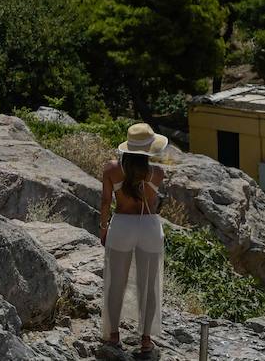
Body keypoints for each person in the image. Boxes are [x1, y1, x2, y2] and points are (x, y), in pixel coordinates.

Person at [100, 122, 168, 356]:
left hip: (121, 225)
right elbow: (154, 202)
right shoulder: (157, 173)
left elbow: (106, 202)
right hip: (149, 226)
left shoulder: (111, 169)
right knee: (148, 285)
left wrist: (103, 227)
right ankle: (146, 340)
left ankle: (113, 335)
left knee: (115, 282)